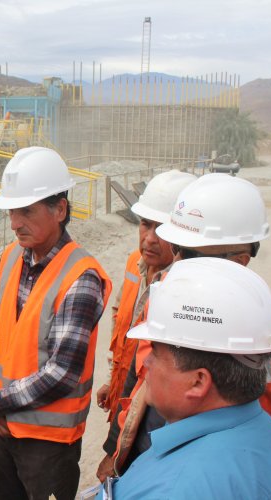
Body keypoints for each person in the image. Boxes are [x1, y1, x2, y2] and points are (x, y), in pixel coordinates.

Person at [103, 173, 271, 479]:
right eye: (177, 249)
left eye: (190, 255)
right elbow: (137, 383)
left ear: (240, 261)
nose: (175, 264)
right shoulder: (163, 307)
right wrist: (114, 451)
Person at [0, 146, 112, 500]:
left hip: (48, 445)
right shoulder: (10, 256)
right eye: (11, 211)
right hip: (4, 429)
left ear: (60, 209)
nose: (15, 222)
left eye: (26, 211)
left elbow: (62, 372)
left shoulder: (81, 277)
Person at [103, 258, 271, 498]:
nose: (146, 362)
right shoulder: (264, 433)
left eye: (155, 352)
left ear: (198, 382)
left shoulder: (175, 490)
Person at [94, 170, 195, 479]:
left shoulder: (186, 289)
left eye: (161, 228)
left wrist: (115, 448)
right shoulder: (132, 265)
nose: (149, 238)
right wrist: (113, 379)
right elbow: (121, 325)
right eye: (145, 224)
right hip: (124, 402)